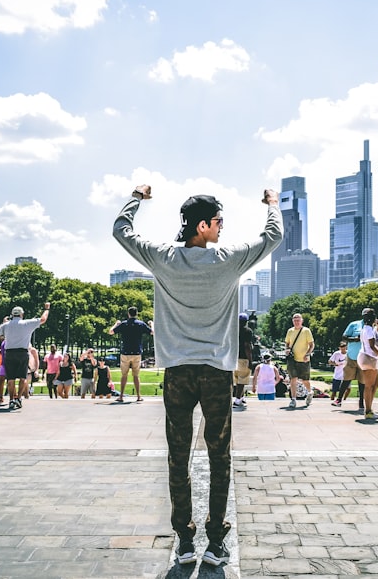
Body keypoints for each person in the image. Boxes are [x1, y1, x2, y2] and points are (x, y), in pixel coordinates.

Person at [113, 183, 281, 567]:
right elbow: (274, 236)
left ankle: (185, 539)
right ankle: (216, 541)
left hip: (177, 373)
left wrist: (136, 198)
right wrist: (272, 204)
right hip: (216, 373)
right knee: (219, 456)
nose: (222, 227)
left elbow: (121, 230)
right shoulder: (228, 259)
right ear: (203, 226)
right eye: (219, 221)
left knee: (178, 455)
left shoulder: (163, 258)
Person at [0, 303, 49, 410]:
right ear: (22, 314)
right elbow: (43, 319)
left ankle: (11, 399)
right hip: (22, 353)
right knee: (22, 377)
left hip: (9, 353)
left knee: (10, 379)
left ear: (12, 314)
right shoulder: (27, 323)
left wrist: (4, 324)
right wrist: (47, 309)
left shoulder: (6, 325)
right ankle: (19, 398)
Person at [109, 307, 153, 402]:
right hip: (137, 352)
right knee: (136, 375)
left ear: (128, 314)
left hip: (125, 352)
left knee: (124, 375)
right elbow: (152, 332)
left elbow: (111, 332)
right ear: (136, 314)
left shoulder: (124, 324)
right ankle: (138, 396)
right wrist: (152, 324)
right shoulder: (141, 324)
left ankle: (121, 396)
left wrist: (116, 324)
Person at [356, 308, 378, 420]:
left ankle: (369, 408)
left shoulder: (367, 328)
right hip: (368, 358)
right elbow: (373, 346)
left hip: (370, 358)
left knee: (376, 384)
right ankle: (368, 411)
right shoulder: (368, 330)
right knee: (369, 386)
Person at [284, 313, 314, 408]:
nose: (296, 322)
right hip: (292, 360)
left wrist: (308, 354)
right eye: (295, 320)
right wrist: (287, 349)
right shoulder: (290, 331)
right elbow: (287, 343)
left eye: (298, 320)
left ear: (302, 321)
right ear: (292, 321)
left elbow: (312, 344)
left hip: (304, 360)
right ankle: (293, 399)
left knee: (305, 380)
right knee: (293, 379)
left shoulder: (306, 331)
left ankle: (310, 392)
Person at [334, 315, 365, 408]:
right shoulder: (354, 324)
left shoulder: (372, 327)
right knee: (346, 379)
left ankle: (361, 402)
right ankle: (339, 399)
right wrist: (355, 339)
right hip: (352, 356)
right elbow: (344, 336)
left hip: (364, 358)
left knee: (362, 381)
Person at [233, 313, 253, 409]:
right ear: (246, 322)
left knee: (237, 380)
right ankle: (237, 400)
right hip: (243, 358)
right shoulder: (247, 331)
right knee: (242, 380)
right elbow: (247, 346)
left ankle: (241, 397)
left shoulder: (232, 330)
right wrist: (250, 360)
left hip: (233, 357)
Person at [327, 341, 347, 406]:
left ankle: (343, 400)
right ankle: (333, 401)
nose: (343, 349)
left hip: (346, 375)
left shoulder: (348, 353)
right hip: (337, 375)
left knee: (348, 389)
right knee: (334, 392)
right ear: (339, 347)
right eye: (341, 347)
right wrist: (335, 364)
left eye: (344, 347)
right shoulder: (336, 354)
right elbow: (329, 361)